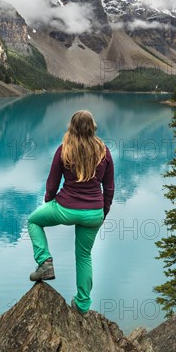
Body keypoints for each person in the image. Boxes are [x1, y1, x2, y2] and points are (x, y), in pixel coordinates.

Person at [27, 110, 115, 315]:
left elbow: (51, 184)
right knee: (84, 256)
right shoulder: (104, 152)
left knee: (33, 221)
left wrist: (49, 205)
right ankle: (83, 304)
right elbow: (109, 188)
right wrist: (103, 213)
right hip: (93, 212)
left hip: (64, 208)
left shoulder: (64, 150)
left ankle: (45, 262)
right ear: (92, 127)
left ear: (71, 127)